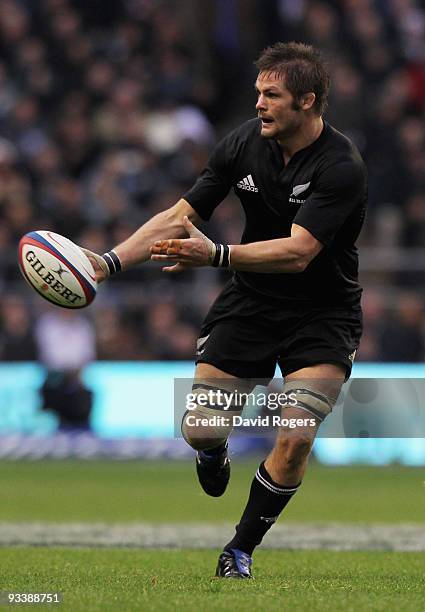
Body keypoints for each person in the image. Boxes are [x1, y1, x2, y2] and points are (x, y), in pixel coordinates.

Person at [83, 42, 367, 578]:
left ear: (307, 101)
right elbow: (180, 215)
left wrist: (215, 255)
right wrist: (108, 263)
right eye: (258, 92)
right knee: (203, 427)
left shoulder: (341, 165)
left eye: (272, 95)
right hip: (250, 307)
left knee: (296, 434)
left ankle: (239, 549)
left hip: (323, 315)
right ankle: (211, 451)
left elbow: (299, 251)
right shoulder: (242, 142)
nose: (259, 104)